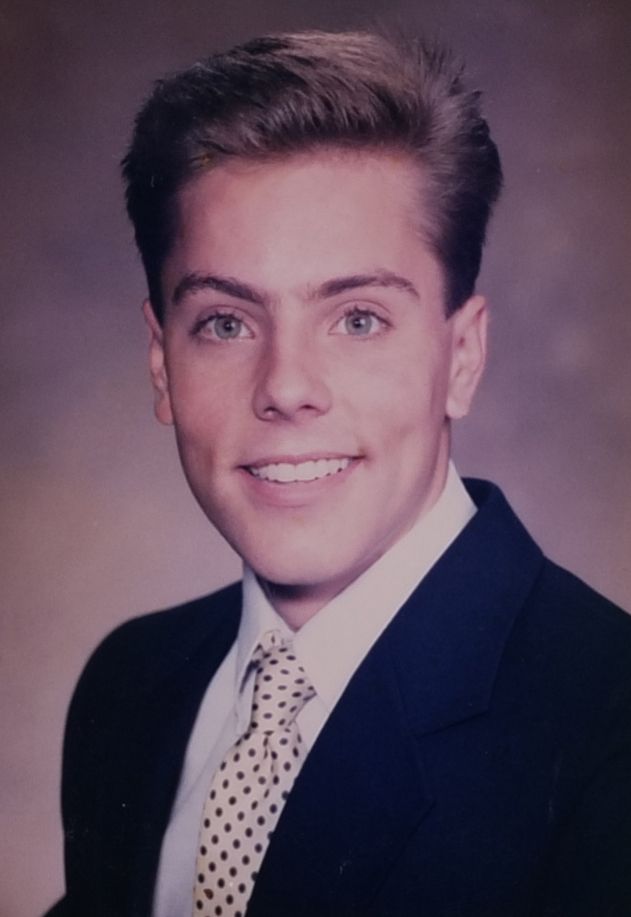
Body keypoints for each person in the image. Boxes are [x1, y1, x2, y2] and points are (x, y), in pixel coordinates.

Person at [46, 30, 631, 917]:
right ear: (162, 364)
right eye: (225, 323)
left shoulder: (604, 725)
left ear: (462, 356)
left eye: (357, 319)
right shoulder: (129, 684)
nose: (285, 387)